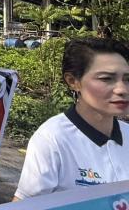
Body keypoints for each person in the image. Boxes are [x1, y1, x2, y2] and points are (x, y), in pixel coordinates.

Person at [13, 38, 129, 201]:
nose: (122, 89)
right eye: (106, 79)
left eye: (127, 79)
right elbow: (25, 204)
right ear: (73, 81)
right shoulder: (52, 139)